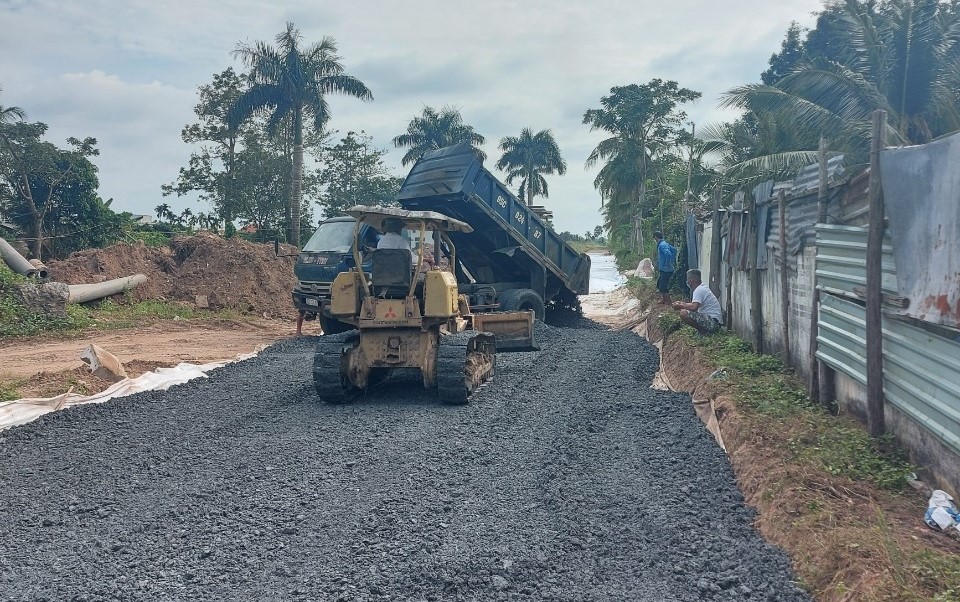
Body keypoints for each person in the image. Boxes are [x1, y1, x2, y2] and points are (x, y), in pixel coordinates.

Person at [672, 269, 723, 335]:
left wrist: (680, 306)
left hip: (713, 322)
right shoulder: (701, 287)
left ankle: (703, 332)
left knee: (683, 313)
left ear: (691, 281)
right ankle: (704, 331)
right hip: (713, 321)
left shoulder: (699, 290)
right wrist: (682, 303)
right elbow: (694, 304)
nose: (687, 282)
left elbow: (694, 307)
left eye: (688, 280)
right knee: (684, 310)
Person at [654, 231, 677, 305]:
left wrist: (667, 263)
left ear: (656, 237)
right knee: (659, 284)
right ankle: (664, 299)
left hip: (666, 269)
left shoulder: (662, 245)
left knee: (663, 286)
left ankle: (668, 301)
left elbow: (668, 254)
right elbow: (674, 250)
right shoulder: (665, 243)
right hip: (665, 269)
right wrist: (672, 261)